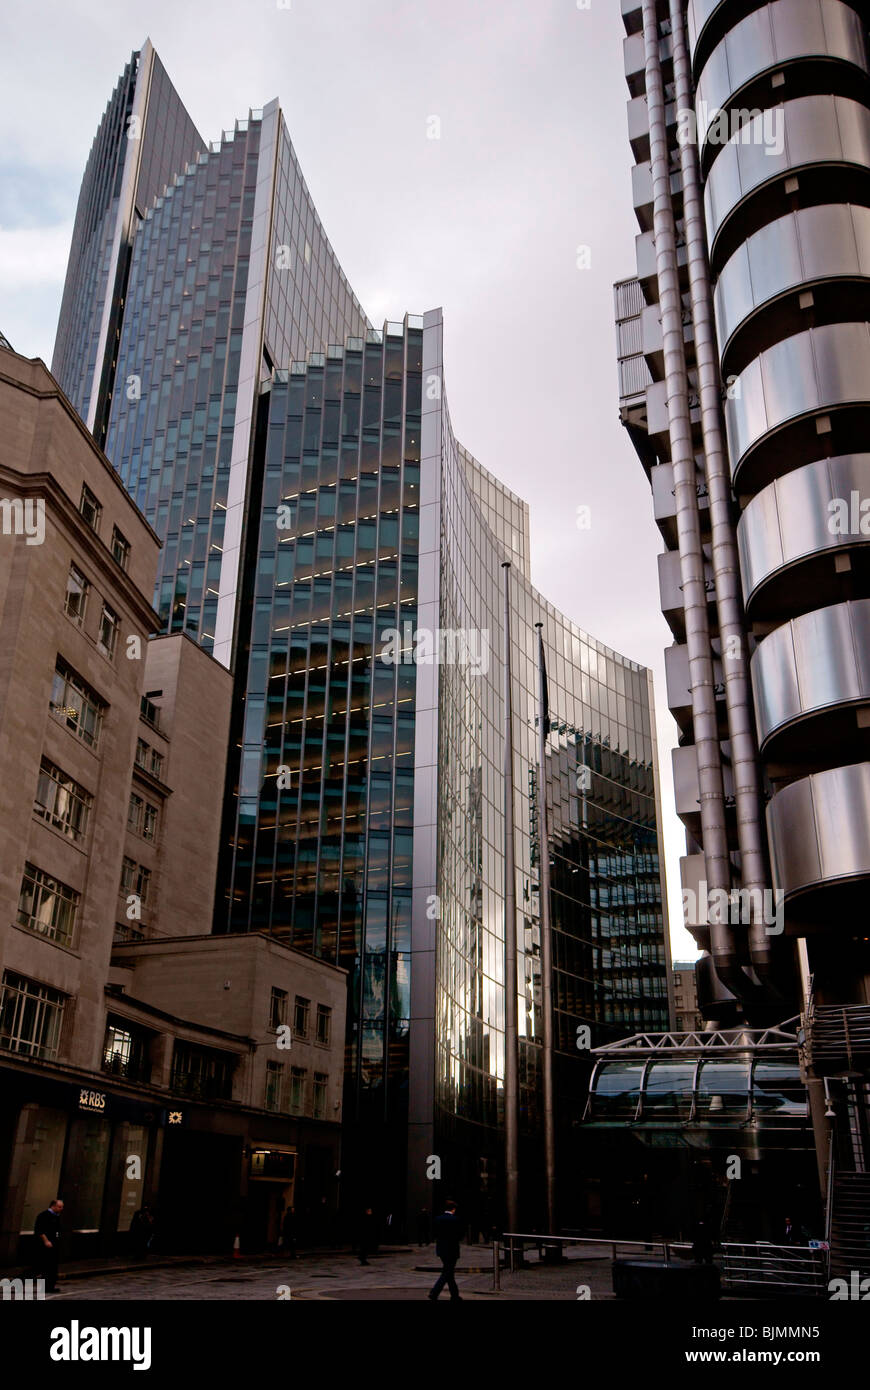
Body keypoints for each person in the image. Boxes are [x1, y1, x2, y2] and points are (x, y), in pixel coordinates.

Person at [428, 1198, 463, 1301]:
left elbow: (434, 1233)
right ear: (453, 1209)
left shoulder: (437, 1219)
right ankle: (434, 1292)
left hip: (442, 1249)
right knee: (447, 1272)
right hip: (452, 1249)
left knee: (449, 1272)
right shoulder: (456, 1220)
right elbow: (460, 1236)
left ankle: (455, 1295)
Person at [34, 1198, 63, 1293]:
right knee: (44, 1267)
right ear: (53, 1206)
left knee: (52, 1267)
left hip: (54, 1245)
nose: (61, 1209)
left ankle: (50, 1287)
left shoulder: (56, 1216)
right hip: (45, 1245)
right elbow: (39, 1230)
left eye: (62, 1207)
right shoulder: (44, 1215)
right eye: (59, 1207)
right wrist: (46, 1241)